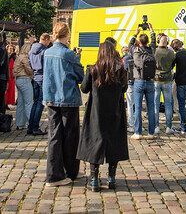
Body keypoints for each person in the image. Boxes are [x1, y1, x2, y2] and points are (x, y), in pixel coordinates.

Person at [77, 40, 129, 192]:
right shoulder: (120, 69)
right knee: (113, 141)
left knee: (95, 142)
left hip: (96, 112)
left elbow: (84, 88)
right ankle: (111, 178)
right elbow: (124, 88)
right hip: (115, 111)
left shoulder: (93, 69)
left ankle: (94, 179)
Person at [42, 22, 84, 187]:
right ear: (67, 35)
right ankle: (68, 172)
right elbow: (80, 76)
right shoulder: (68, 54)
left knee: (54, 136)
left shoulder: (48, 52)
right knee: (70, 137)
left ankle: (55, 173)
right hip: (67, 98)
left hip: (51, 98)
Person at [129, 24, 156, 139]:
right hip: (150, 82)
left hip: (139, 82)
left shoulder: (135, 51)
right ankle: (151, 133)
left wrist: (135, 33)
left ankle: (138, 133)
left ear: (139, 42)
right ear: (147, 41)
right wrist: (151, 30)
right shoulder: (152, 50)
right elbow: (154, 42)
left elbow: (130, 43)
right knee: (151, 108)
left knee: (138, 108)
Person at [28, 33, 51, 135]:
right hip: (42, 77)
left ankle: (30, 127)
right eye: (49, 41)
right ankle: (35, 127)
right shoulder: (44, 51)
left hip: (35, 77)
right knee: (40, 103)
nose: (49, 43)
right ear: (45, 39)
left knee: (35, 102)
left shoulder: (31, 50)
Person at [153, 35, 176, 134]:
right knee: (168, 104)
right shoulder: (171, 52)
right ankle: (168, 127)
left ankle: (156, 126)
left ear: (159, 41)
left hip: (156, 80)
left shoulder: (155, 51)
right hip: (167, 81)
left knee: (155, 105)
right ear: (167, 42)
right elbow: (173, 65)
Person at [13, 42, 34, 130]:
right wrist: (33, 74)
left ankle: (19, 123)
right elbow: (28, 69)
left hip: (18, 80)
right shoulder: (25, 57)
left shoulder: (19, 57)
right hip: (25, 79)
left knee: (21, 103)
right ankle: (31, 123)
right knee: (29, 103)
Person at [121, 45, 135, 131]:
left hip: (128, 82)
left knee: (129, 105)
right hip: (135, 82)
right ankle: (134, 123)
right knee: (134, 104)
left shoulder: (125, 59)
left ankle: (131, 125)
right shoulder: (134, 57)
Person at [5, 44, 17, 108]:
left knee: (11, 90)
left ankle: (7, 103)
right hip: (8, 75)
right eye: (10, 49)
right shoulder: (6, 56)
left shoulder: (13, 57)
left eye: (12, 49)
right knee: (7, 91)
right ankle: (5, 103)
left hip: (11, 76)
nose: (11, 50)